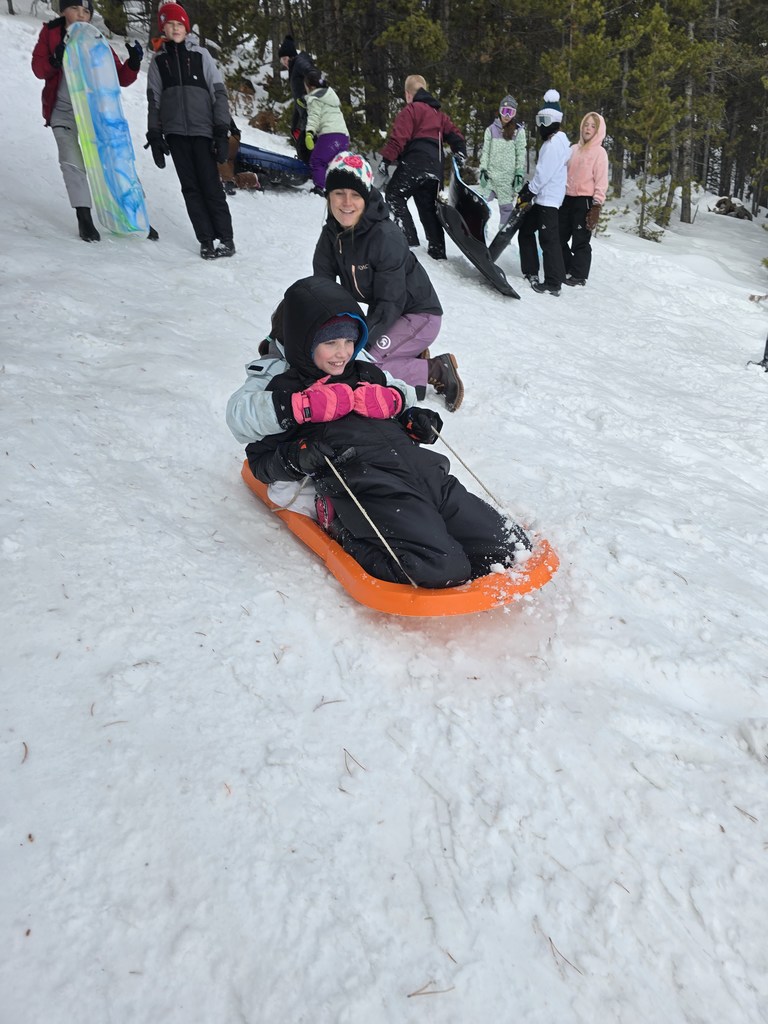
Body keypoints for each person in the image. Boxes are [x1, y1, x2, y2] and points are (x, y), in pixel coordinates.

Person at [230, 275, 530, 589]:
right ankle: (347, 532)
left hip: (423, 471)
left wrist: (411, 417)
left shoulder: (364, 371)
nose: (342, 352)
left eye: (349, 341)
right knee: (441, 567)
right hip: (371, 485)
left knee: (511, 548)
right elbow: (260, 458)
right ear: (304, 340)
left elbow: (398, 400)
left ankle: (436, 532)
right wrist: (300, 453)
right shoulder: (284, 392)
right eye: (330, 343)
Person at [312, 151, 465, 411]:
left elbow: (391, 302)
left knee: (363, 363)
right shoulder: (331, 234)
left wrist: (359, 343)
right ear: (328, 196)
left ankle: (436, 369)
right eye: (339, 193)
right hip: (387, 315)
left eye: (355, 194)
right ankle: (405, 352)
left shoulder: (385, 236)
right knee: (340, 356)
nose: (346, 202)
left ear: (366, 196)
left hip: (419, 315)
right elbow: (321, 290)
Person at [31, 0, 143, 242]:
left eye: (86, 11)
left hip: (94, 110)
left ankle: (133, 214)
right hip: (63, 110)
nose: (81, 15)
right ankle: (84, 218)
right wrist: (54, 60)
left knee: (114, 158)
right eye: (75, 9)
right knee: (72, 160)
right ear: (63, 10)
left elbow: (119, 77)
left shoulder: (94, 38)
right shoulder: (50, 33)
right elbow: (38, 68)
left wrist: (133, 64)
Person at [146, 2, 235, 259]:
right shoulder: (159, 61)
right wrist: (154, 134)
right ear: (163, 28)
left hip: (203, 132)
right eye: (170, 24)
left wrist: (221, 130)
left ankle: (226, 238)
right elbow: (153, 100)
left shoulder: (201, 55)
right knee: (190, 189)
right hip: (176, 134)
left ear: (187, 28)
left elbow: (219, 94)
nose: (175, 28)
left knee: (210, 186)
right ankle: (205, 239)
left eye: (179, 24)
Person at [378, 74, 467, 261]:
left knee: (394, 194)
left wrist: (386, 160)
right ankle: (438, 251)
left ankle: (408, 240)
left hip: (415, 162)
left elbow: (399, 138)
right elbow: (456, 136)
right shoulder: (439, 116)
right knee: (428, 208)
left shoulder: (411, 110)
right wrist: (460, 152)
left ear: (408, 94)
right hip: (435, 168)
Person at [517, 89, 571, 296]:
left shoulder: (554, 144)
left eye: (545, 120)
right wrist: (531, 191)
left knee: (549, 240)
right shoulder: (553, 141)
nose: (541, 125)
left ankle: (553, 282)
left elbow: (544, 173)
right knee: (526, 231)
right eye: (539, 120)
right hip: (543, 198)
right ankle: (530, 270)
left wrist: (530, 191)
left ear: (555, 121)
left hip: (548, 200)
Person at [559, 112, 608, 286]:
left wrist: (596, 205)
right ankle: (566, 267)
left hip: (584, 201)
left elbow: (601, 180)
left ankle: (579, 275)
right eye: (586, 125)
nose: (588, 128)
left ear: (598, 131)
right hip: (566, 199)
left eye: (593, 126)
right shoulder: (573, 149)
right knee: (559, 236)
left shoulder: (599, 153)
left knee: (580, 239)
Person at [479, 95, 527, 229]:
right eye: (504, 111)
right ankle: (480, 228)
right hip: (491, 176)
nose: (507, 115)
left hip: (506, 178)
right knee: (481, 202)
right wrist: (483, 169)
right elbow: (485, 152)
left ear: (514, 114)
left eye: (510, 112)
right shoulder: (490, 130)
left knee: (506, 208)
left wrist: (519, 173)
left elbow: (520, 153)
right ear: (500, 111)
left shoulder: (518, 132)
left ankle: (503, 231)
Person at [304, 70, 350, 192]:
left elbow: (314, 116)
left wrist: (309, 133)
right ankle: (341, 187)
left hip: (330, 136)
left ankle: (320, 188)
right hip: (344, 137)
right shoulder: (330, 97)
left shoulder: (314, 98)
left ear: (311, 87)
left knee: (317, 160)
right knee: (336, 164)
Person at [278, 34, 317, 162]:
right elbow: (298, 100)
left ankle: (311, 171)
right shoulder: (294, 67)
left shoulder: (300, 62)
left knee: (306, 149)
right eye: (281, 60)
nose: (284, 62)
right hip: (305, 117)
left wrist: (314, 86)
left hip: (312, 117)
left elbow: (311, 71)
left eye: (285, 58)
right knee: (303, 148)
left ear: (291, 56)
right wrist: (295, 124)